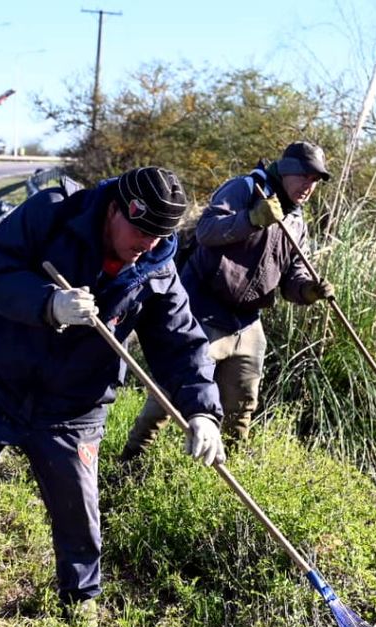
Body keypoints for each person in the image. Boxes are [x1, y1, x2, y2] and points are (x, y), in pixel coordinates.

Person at [0, 166, 225, 627]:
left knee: (77, 506)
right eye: (141, 231)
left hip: (75, 403)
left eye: (160, 236)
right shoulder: (51, 215)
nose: (148, 244)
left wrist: (202, 411)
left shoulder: (156, 269)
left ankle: (80, 599)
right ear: (116, 210)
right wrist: (48, 304)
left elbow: (180, 343)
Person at [120, 141, 334, 460]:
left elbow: (292, 281)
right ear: (287, 170)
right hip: (203, 310)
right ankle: (131, 460)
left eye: (315, 180)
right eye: (305, 175)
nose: (309, 185)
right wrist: (253, 219)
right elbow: (207, 231)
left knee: (242, 404)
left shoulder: (296, 222)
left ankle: (228, 472)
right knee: (173, 393)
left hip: (247, 322)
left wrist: (309, 290)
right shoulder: (245, 190)